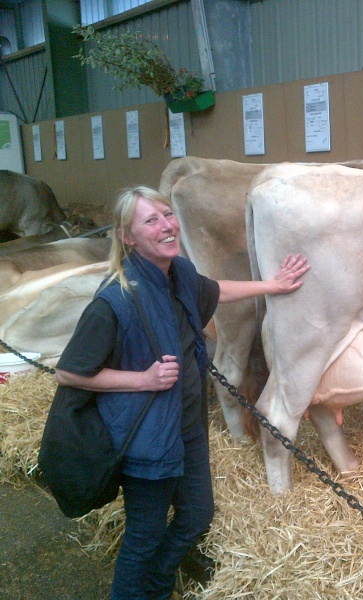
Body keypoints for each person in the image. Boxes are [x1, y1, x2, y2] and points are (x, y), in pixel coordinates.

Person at [55, 185, 309, 600]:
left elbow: (215, 290)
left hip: (188, 427)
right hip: (147, 439)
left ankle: (157, 584)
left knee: (196, 516)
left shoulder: (180, 274)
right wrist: (141, 380)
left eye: (167, 215)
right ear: (127, 237)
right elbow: (69, 372)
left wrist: (273, 285)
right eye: (151, 221)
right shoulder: (116, 299)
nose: (168, 226)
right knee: (144, 536)